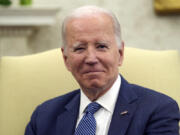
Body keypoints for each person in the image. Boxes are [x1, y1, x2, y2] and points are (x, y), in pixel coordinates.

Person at [25, 5, 180, 135]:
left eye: (101, 46)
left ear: (120, 54)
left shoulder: (158, 110)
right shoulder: (44, 116)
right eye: (79, 48)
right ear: (66, 60)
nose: (91, 58)